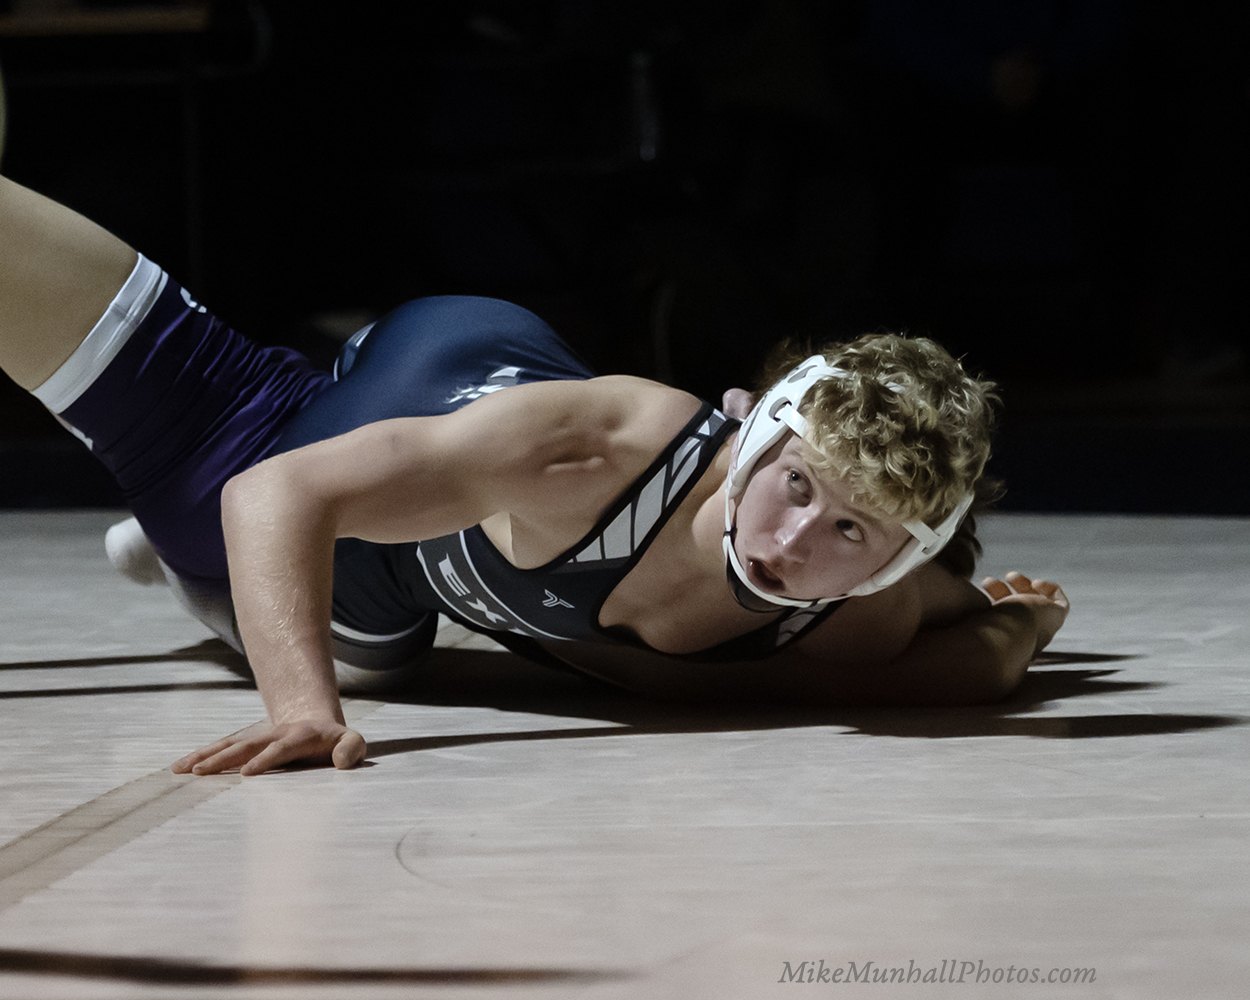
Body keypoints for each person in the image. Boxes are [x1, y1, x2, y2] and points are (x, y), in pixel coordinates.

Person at [0, 175, 1069, 777]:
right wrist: (302, 710)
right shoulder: (606, 449)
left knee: (240, 549)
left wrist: (1024, 625)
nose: (790, 545)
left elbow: (972, 653)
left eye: (851, 533)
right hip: (361, 418)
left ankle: (195, 578)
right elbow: (275, 498)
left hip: (261, 472)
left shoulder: (862, 621)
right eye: (797, 488)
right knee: (313, 496)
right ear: (748, 421)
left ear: (894, 566)